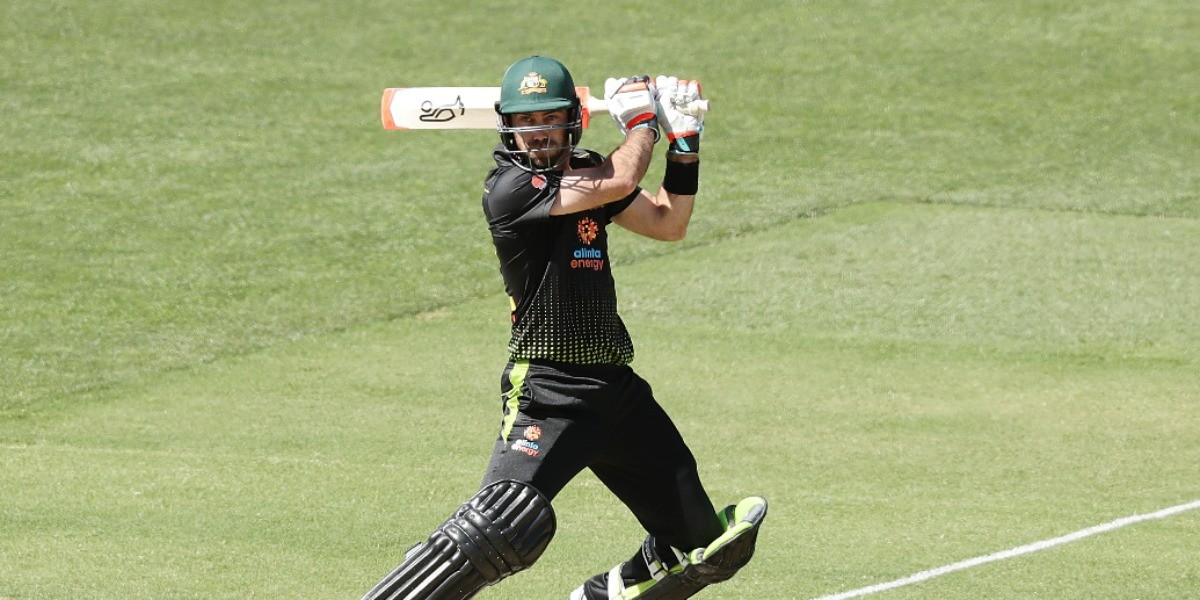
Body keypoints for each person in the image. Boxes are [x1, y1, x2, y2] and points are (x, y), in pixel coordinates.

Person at [360, 56, 766, 600]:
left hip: (617, 394)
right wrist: (643, 124)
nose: (537, 132)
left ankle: (607, 592)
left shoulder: (590, 171)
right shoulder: (510, 188)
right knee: (497, 529)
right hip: (548, 392)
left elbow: (668, 222)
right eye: (525, 121)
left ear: (571, 120)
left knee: (704, 548)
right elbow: (621, 177)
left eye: (548, 119)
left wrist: (684, 142)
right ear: (507, 125)